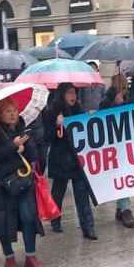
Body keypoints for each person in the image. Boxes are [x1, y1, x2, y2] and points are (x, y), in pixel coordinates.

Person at [0, 99, 45, 267]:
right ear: (0, 114)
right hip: (0, 183)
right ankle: (9, 257)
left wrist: (26, 147)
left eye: (14, 110)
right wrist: (12, 146)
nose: (13, 114)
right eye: (8, 111)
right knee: (3, 221)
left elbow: (34, 153)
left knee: (29, 217)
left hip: (23, 180)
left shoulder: (23, 127)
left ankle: (31, 256)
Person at [44, 84, 97, 240]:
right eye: (69, 93)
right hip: (60, 158)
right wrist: (56, 125)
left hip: (76, 158)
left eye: (74, 92)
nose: (73, 96)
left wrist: (89, 118)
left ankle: (88, 227)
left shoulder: (78, 109)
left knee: (82, 193)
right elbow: (47, 137)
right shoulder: (51, 111)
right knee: (58, 192)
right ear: (62, 94)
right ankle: (55, 219)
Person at [99, 73, 134, 228]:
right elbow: (103, 116)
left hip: (126, 141)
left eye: (124, 85)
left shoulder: (130, 97)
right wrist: (115, 105)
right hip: (113, 143)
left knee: (124, 174)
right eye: (119, 84)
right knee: (121, 174)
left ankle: (121, 208)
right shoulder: (107, 99)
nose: (123, 87)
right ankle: (126, 209)